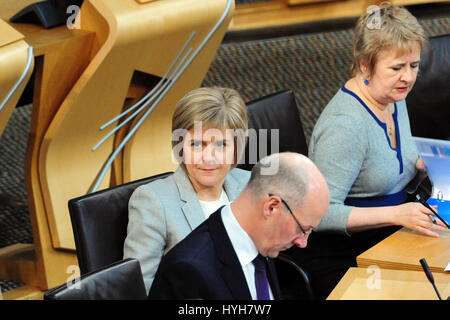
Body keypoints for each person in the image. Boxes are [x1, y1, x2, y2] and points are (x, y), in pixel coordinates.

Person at [287, 2, 447, 300]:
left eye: (414, 66)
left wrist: (421, 163)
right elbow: (318, 215)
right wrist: (396, 214)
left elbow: (389, 160)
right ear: (365, 65)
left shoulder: (392, 96)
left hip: (394, 233)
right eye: (397, 68)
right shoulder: (345, 126)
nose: (409, 78)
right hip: (346, 254)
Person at [147, 152, 330, 300]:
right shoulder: (189, 273)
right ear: (271, 207)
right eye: (303, 229)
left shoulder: (263, 241)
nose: (303, 242)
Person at [123, 87, 250, 293]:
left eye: (221, 145)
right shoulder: (153, 203)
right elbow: (137, 290)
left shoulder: (249, 185)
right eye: (197, 144)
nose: (209, 157)